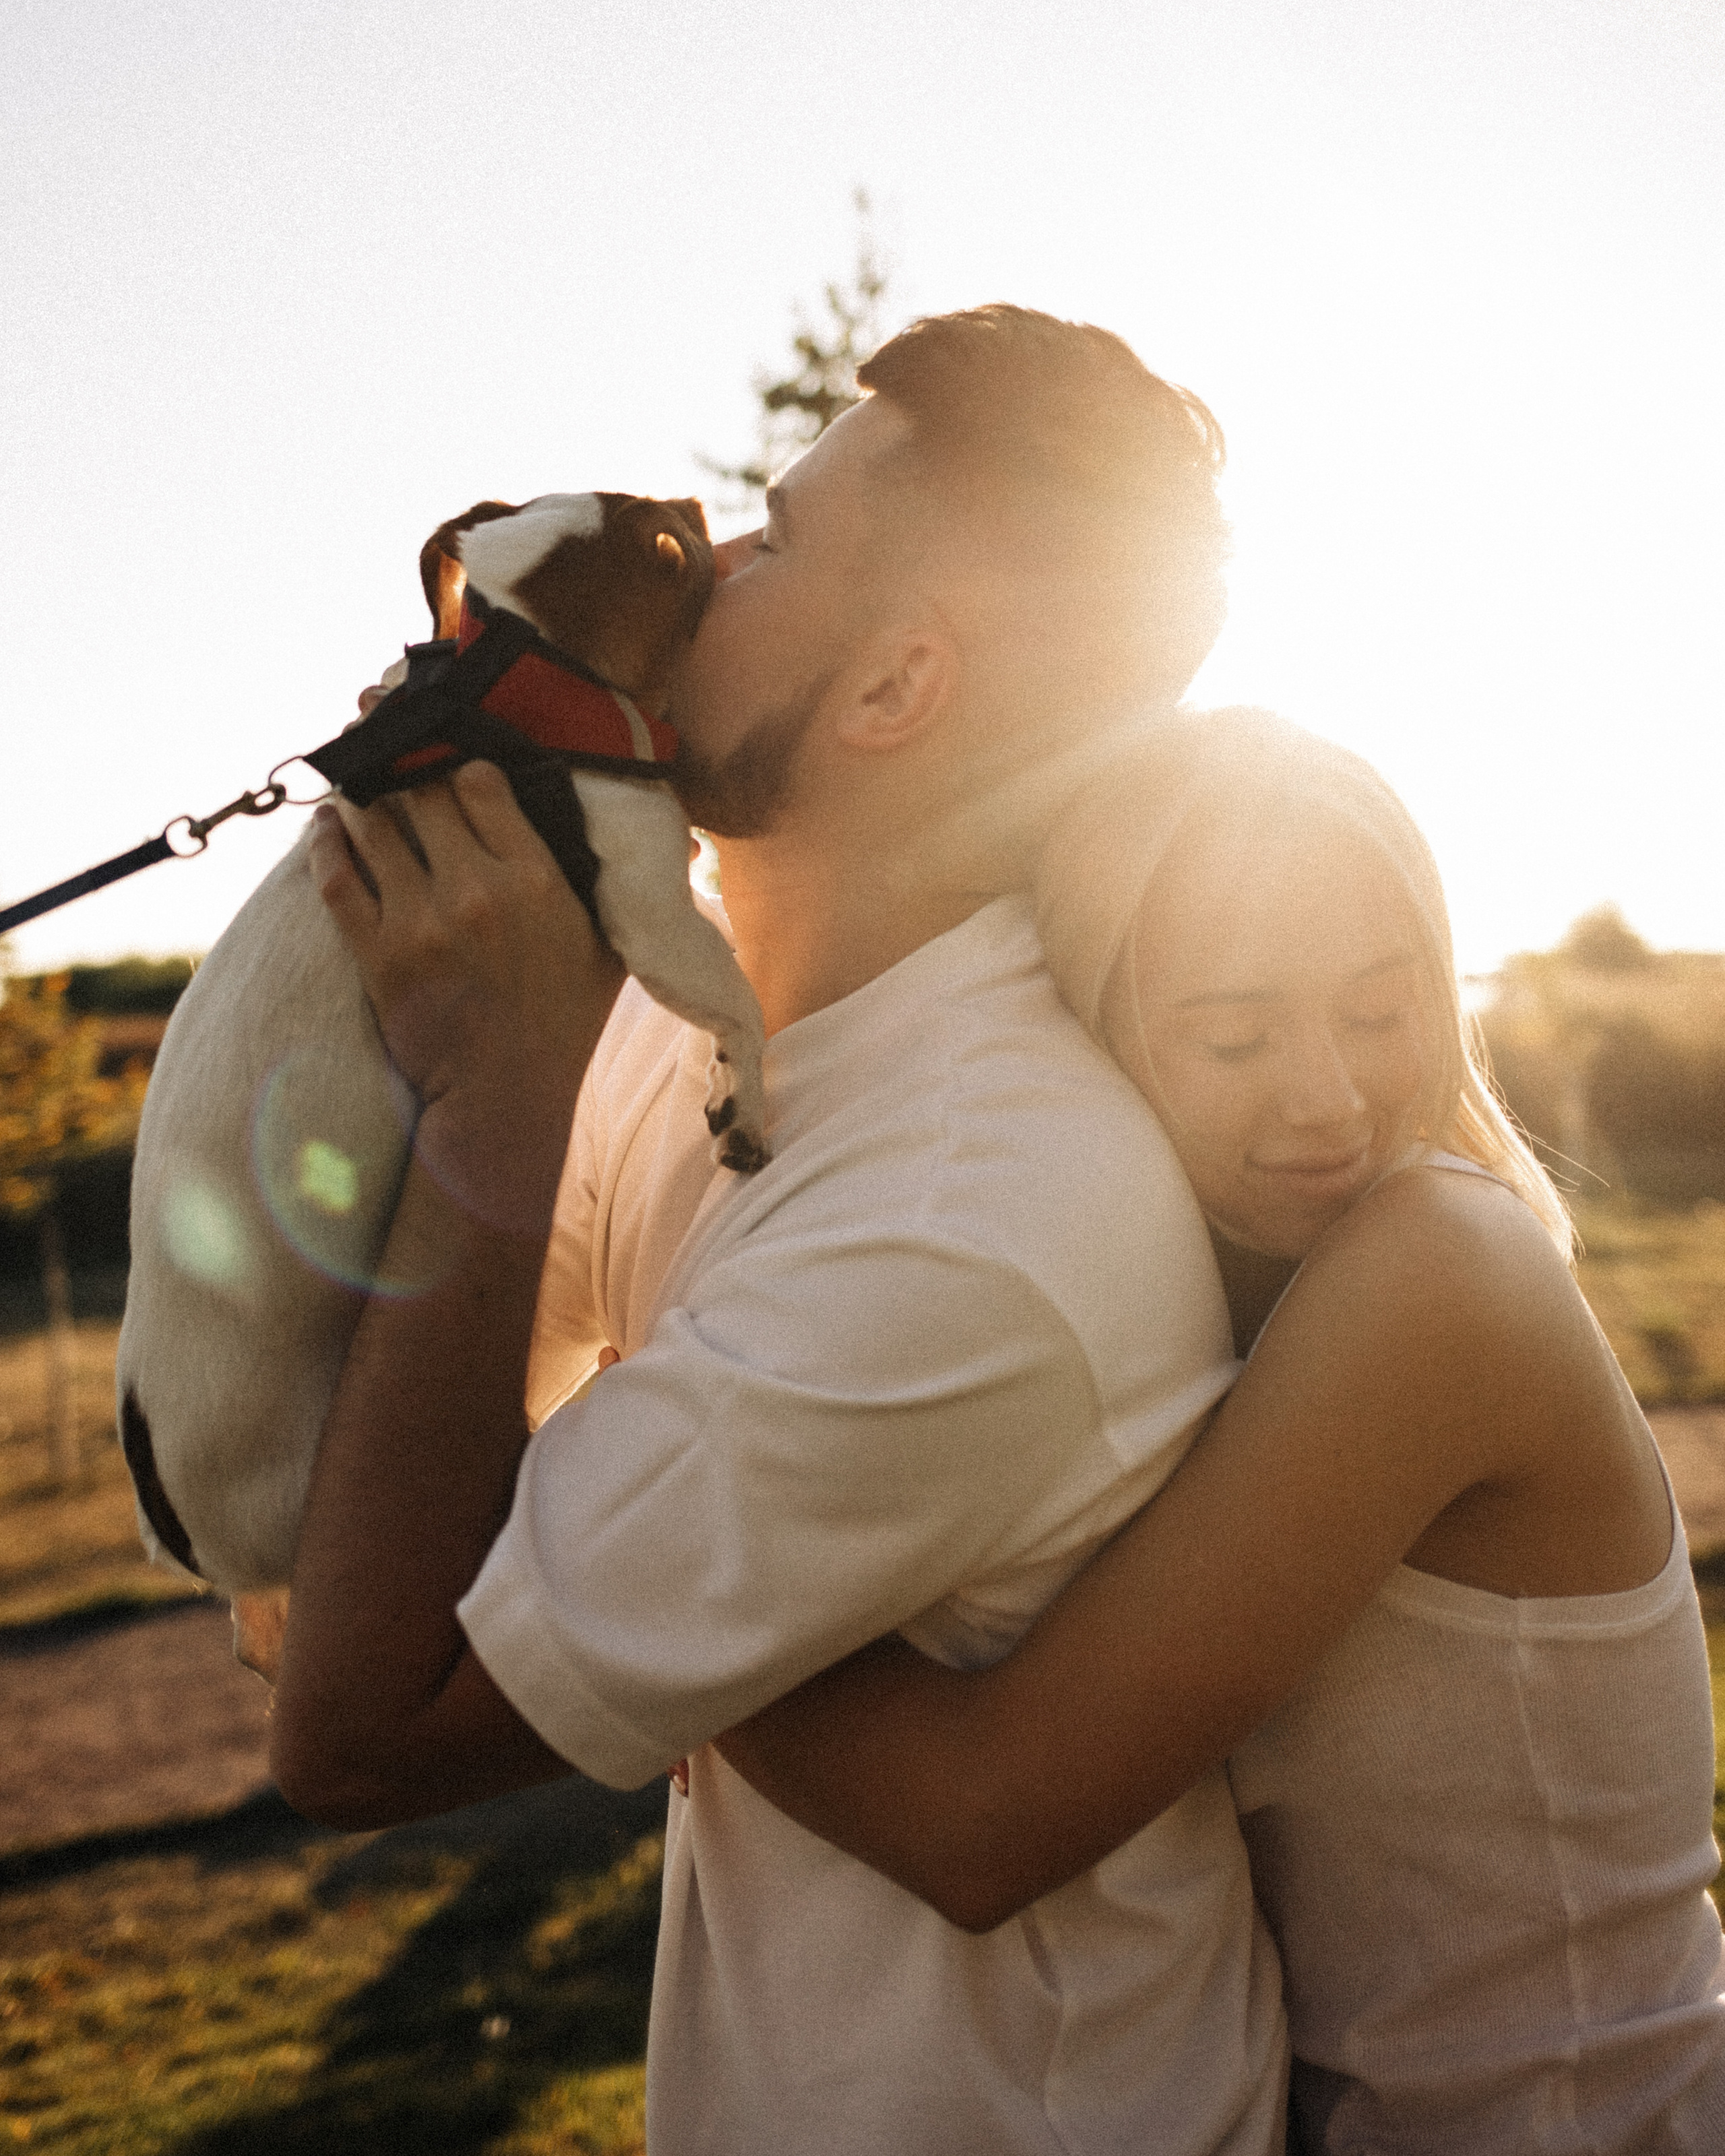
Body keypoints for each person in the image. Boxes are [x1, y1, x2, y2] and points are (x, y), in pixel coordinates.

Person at [270, 310, 1294, 2153]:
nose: (712, 560)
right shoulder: (685, 1030)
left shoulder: (970, 1218)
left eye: (779, 535)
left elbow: (357, 1717)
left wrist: (497, 1088)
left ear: (893, 690)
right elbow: (365, 1463)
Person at [715, 707, 1725, 2154]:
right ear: (1093, 1031)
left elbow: (982, 1821)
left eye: (1380, 1012)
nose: (1329, 1098)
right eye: (1235, 1034)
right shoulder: (1198, 1315)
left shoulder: (1436, 1276)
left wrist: (660, 1610)